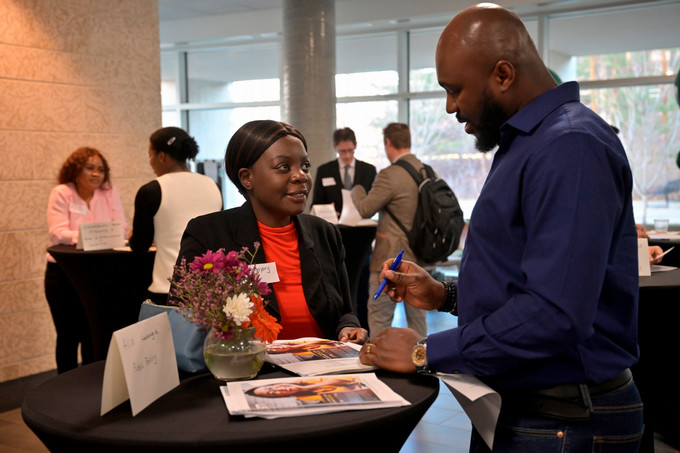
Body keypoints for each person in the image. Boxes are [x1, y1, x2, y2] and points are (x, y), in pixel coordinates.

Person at [359, 4, 643, 452]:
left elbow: (554, 313)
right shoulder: (528, 143)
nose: (450, 106)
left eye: (455, 90)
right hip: (528, 409)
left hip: (562, 418)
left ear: (504, 75)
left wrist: (426, 352)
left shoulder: (570, 145)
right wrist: (445, 295)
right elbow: (522, 281)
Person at [175, 120, 368, 345]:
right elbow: (184, 319)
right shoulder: (208, 234)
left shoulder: (324, 233)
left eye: (305, 166)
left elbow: (345, 311)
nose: (301, 176)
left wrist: (349, 328)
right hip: (248, 372)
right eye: (284, 167)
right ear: (247, 178)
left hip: (320, 372)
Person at [45, 147, 128, 373]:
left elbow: (121, 228)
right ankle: (65, 388)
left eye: (100, 170)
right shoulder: (62, 192)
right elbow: (57, 233)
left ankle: (92, 386)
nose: (96, 174)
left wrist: (85, 236)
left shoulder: (108, 191)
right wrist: (94, 236)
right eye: (89, 168)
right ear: (76, 170)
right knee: (68, 334)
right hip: (63, 272)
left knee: (94, 332)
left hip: (99, 271)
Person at [350, 123, 429, 338]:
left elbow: (366, 208)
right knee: (418, 320)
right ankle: (421, 361)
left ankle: (380, 364)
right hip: (421, 257)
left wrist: (356, 189)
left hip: (391, 260)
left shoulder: (390, 174)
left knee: (379, 317)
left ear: (388, 142)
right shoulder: (427, 171)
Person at [129, 127, 222, 305]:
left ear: (162, 156)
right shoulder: (212, 185)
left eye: (150, 155)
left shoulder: (152, 191)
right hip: (211, 289)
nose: (150, 162)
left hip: (168, 289)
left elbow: (140, 245)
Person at [311, 127, 376, 218]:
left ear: (355, 145)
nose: (347, 156)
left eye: (350, 150)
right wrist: (327, 211)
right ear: (335, 147)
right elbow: (316, 204)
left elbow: (373, 203)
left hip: (363, 225)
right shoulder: (324, 171)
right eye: (342, 151)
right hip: (334, 226)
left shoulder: (369, 170)